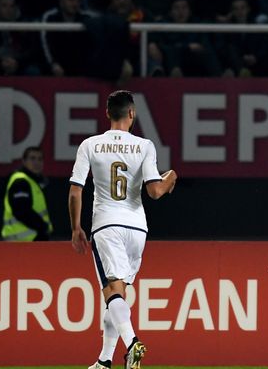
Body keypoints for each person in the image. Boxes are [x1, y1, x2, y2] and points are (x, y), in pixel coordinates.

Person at [69, 90, 177, 369]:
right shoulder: (145, 145)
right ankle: (104, 361)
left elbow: (75, 191)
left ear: (107, 113)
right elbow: (154, 191)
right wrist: (171, 178)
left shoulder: (90, 145)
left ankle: (132, 344)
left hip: (106, 225)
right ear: (132, 113)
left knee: (111, 291)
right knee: (119, 295)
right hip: (137, 229)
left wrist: (75, 227)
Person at [2, 146, 53, 241]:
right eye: (32, 158)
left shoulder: (36, 182)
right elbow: (21, 211)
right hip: (22, 241)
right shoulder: (20, 181)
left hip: (31, 239)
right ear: (24, 161)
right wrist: (43, 227)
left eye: (40, 159)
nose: (36, 162)